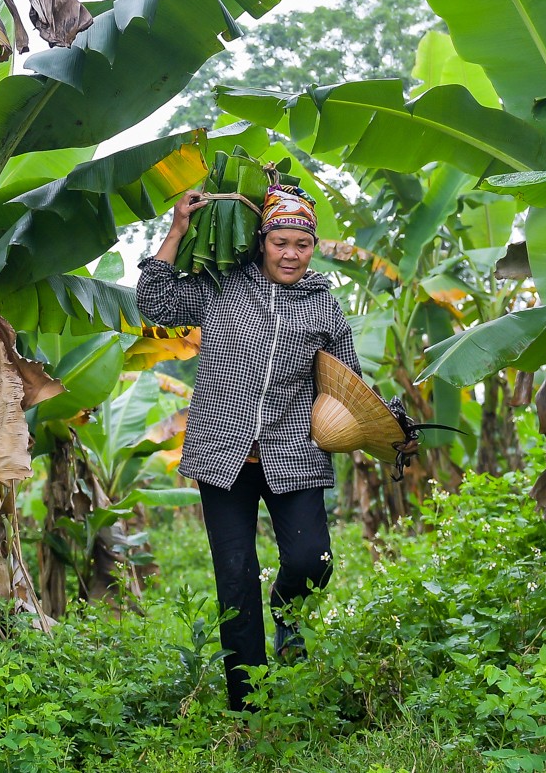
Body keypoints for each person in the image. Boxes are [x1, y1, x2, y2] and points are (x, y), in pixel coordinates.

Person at [136, 181, 361, 712]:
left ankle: (288, 611)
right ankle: (248, 704)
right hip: (225, 454)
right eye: (281, 242)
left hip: (295, 454)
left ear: (313, 248)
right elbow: (154, 300)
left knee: (313, 559)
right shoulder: (222, 288)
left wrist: (386, 429)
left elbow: (349, 383)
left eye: (301, 245)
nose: (291, 254)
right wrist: (176, 230)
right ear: (262, 241)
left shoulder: (325, 308)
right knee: (234, 580)